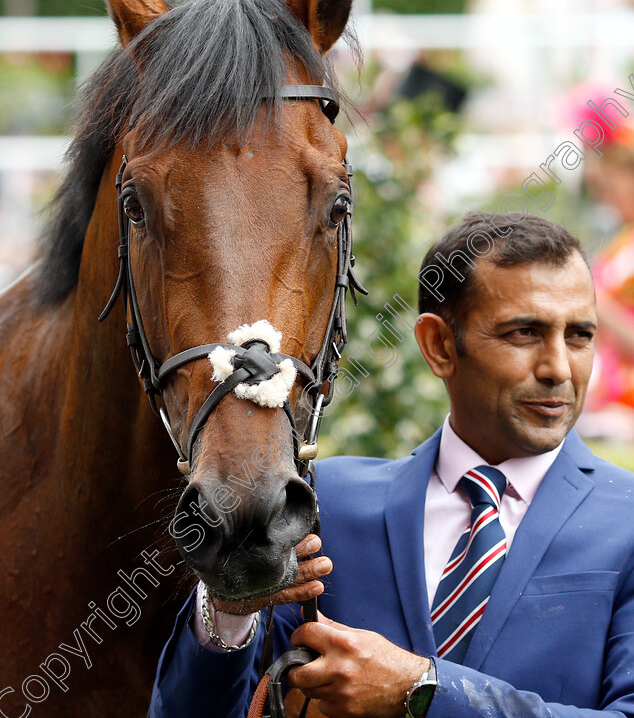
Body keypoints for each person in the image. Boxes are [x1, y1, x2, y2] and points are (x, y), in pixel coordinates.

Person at [149, 212, 634, 718]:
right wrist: (227, 614)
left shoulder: (626, 519)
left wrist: (423, 690)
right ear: (440, 346)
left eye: (579, 336)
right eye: (524, 333)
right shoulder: (320, 503)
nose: (559, 367)